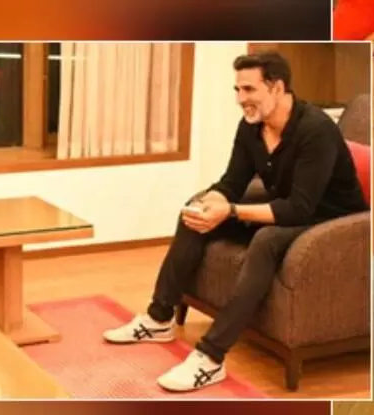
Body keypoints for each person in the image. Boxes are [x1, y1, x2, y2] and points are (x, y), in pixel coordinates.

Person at [102, 51, 369, 392]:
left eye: (249, 89)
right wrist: (211, 202)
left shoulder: (315, 130)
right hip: (289, 209)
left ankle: (210, 357)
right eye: (237, 90)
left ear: (277, 87)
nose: (241, 99)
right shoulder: (252, 126)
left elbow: (299, 209)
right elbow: (232, 182)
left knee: (267, 240)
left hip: (331, 222)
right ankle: (159, 317)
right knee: (194, 212)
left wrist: (230, 211)